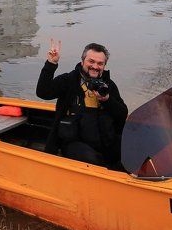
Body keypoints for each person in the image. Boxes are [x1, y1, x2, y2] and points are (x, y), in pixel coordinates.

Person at [36, 39, 128, 168]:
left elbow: (122, 114)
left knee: (132, 153)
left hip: (105, 140)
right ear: (82, 61)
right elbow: (43, 92)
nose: (95, 66)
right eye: (91, 61)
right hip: (74, 142)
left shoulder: (108, 85)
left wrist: (107, 100)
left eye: (100, 63)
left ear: (104, 66)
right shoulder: (68, 80)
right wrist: (51, 63)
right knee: (92, 161)